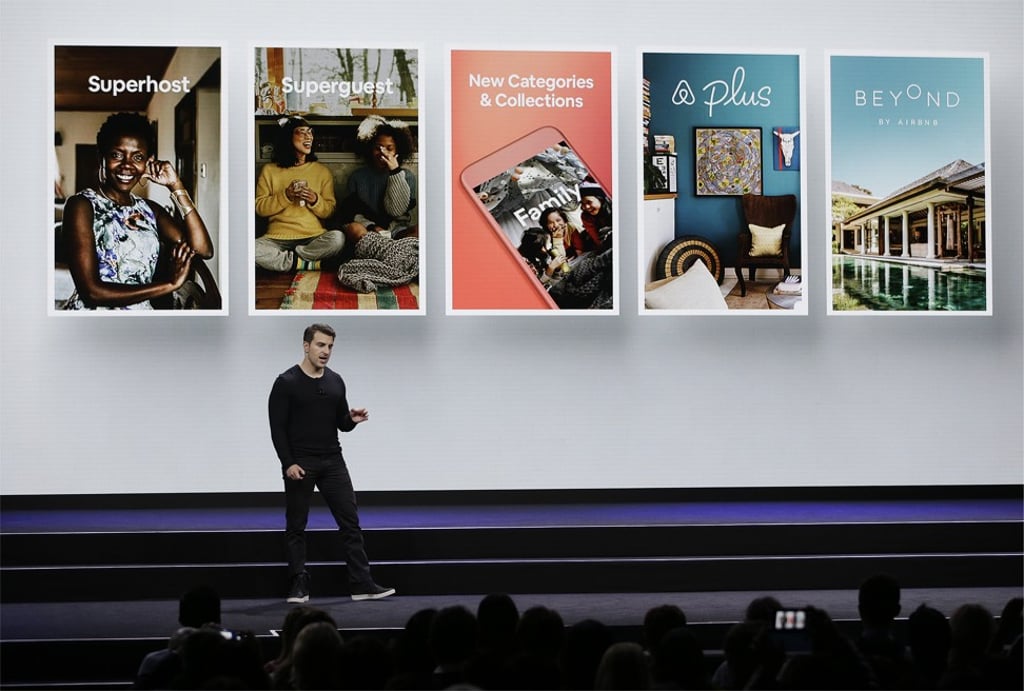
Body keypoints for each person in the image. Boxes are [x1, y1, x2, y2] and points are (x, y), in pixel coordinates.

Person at [268, 323, 394, 604]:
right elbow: (277, 428)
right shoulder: (286, 382)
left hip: (333, 461)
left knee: (350, 523)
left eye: (330, 346)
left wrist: (351, 419)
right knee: (297, 525)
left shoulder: (336, 381)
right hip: (301, 463)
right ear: (306, 346)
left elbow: (340, 424)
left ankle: (362, 584)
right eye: (320, 345)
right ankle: (299, 583)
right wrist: (288, 463)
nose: (325, 351)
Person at [61, 112, 214, 310]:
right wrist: (170, 285)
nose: (127, 166)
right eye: (117, 155)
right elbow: (91, 293)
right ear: (102, 157)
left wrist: (176, 186)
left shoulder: (150, 211)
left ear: (147, 162)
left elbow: (203, 249)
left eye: (137, 157)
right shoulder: (81, 205)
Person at [255, 117, 344, 272]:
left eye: (310, 133)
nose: (308, 136)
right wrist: (286, 196)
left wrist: (315, 200)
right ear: (288, 137)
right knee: (249, 249)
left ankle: (287, 261)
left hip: (312, 238)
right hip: (276, 239)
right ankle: (302, 263)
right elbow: (260, 208)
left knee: (338, 239)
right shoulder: (269, 170)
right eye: (301, 133)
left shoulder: (321, 171)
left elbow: (330, 211)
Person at [341, 115, 417, 241]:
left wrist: (395, 172)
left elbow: (396, 212)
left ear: (398, 151)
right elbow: (351, 213)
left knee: (419, 231)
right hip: (368, 231)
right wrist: (373, 227)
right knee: (353, 228)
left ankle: (385, 251)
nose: (383, 153)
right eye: (378, 148)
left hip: (398, 230)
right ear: (369, 148)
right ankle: (383, 251)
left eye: (389, 148)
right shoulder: (357, 177)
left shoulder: (407, 176)